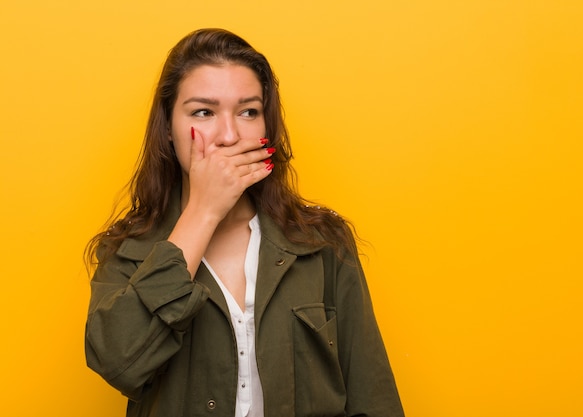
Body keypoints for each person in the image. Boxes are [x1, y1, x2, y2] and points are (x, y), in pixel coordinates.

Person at [84, 28, 404, 417]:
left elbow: (374, 397)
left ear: (266, 128)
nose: (230, 135)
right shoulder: (126, 251)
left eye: (248, 111)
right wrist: (203, 213)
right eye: (203, 112)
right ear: (168, 129)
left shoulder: (323, 244)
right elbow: (118, 363)